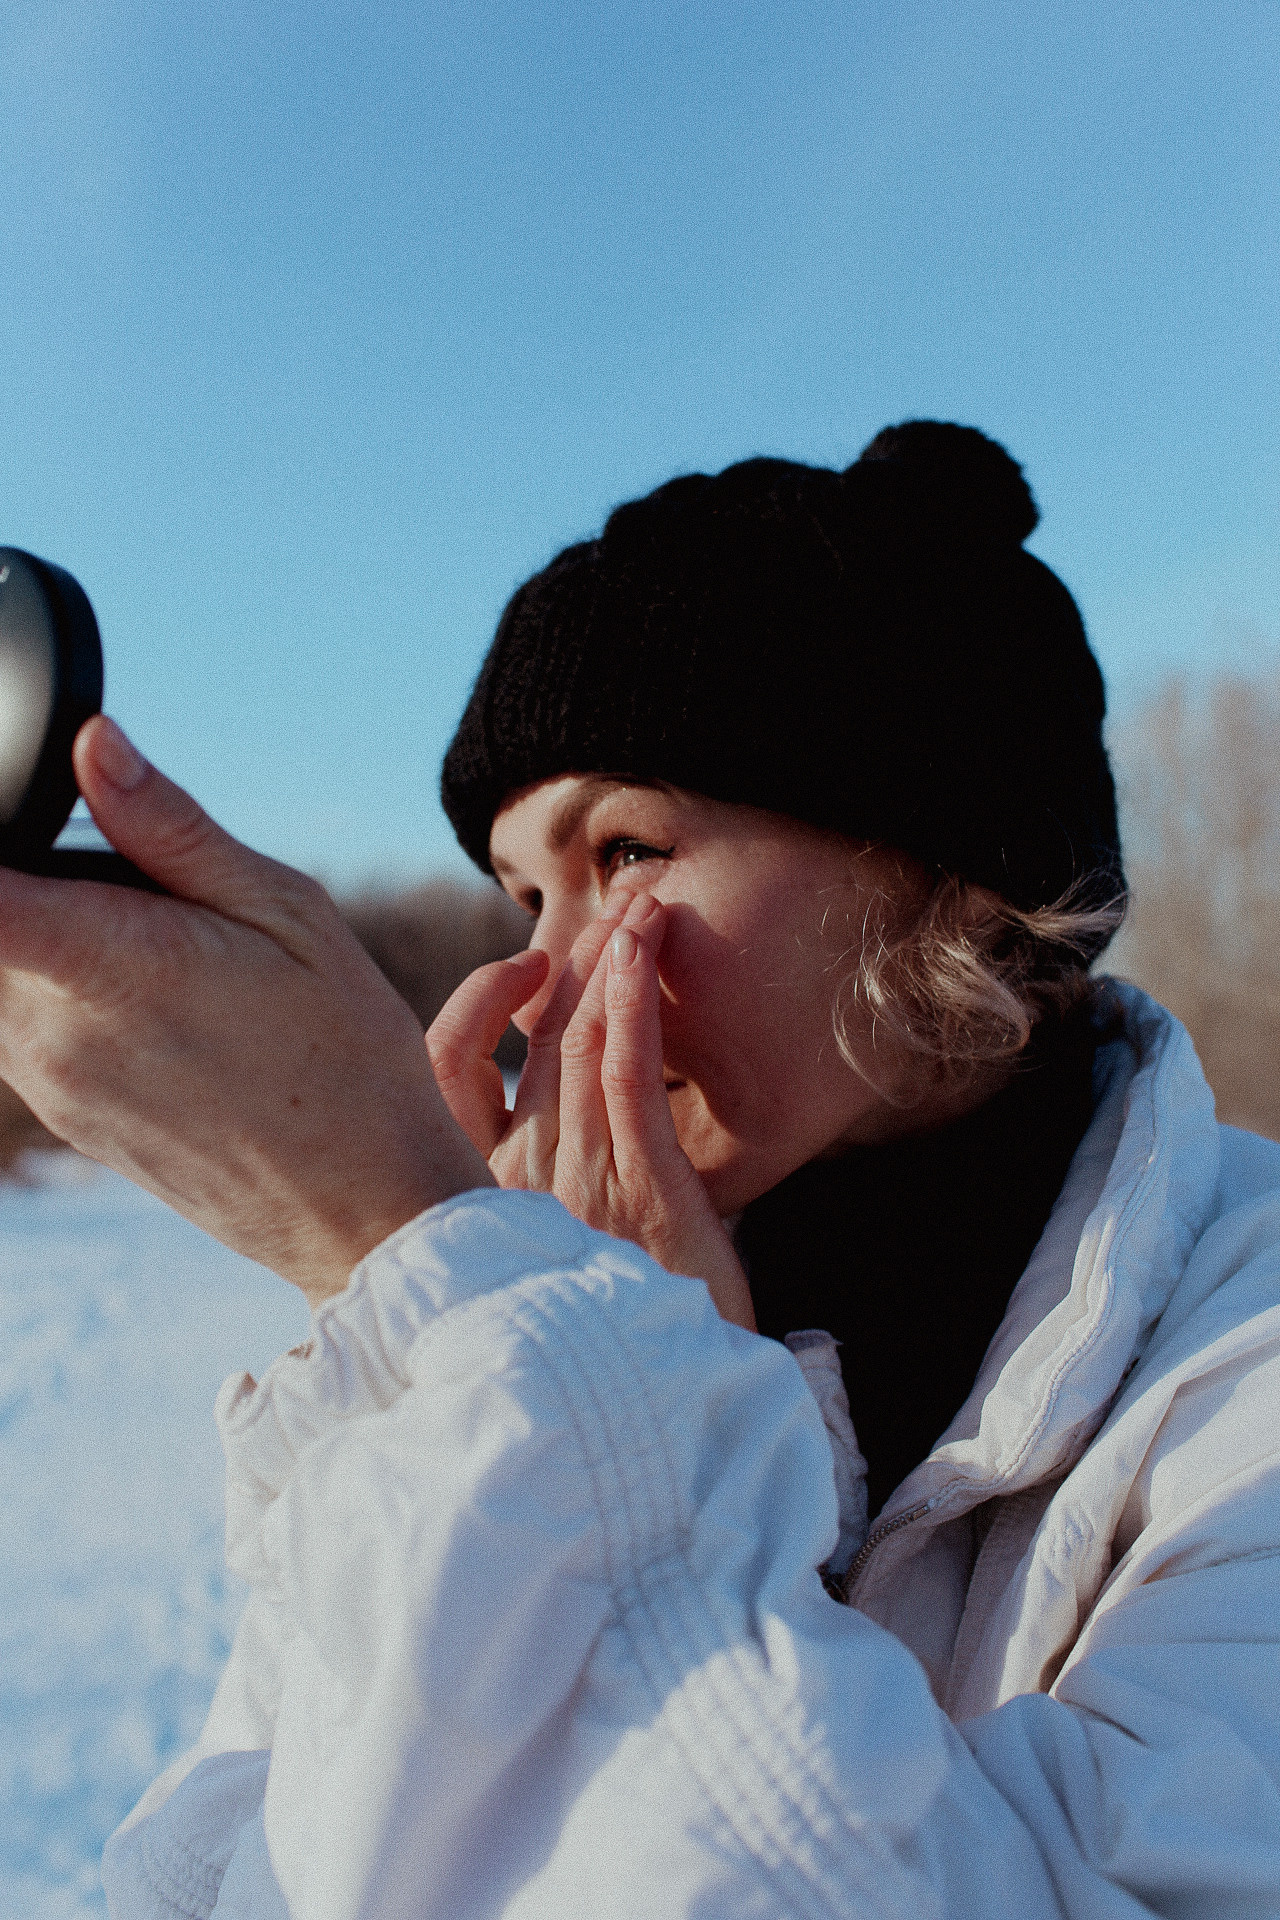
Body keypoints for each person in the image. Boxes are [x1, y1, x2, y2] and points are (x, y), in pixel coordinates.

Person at [0, 425, 1277, 1918]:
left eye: (625, 850)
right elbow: (233, 1875)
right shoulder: (505, 1317)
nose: (542, 973)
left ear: (945, 873)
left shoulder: (1238, 1373)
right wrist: (475, 1349)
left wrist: (543, 1345)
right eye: (521, 888)